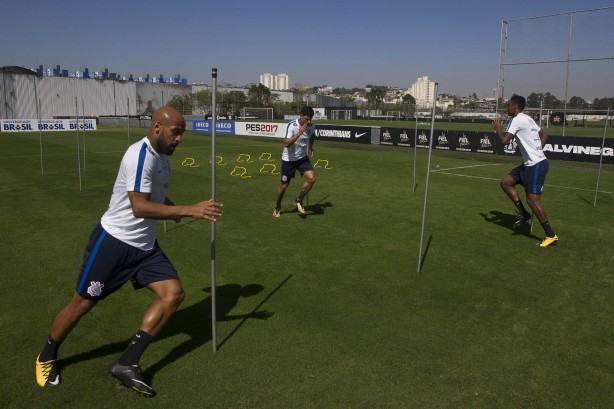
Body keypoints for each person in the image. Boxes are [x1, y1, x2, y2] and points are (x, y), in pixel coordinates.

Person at [35, 107, 223, 397]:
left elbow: (154, 196)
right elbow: (139, 207)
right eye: (176, 133)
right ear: (158, 127)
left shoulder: (161, 159)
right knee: (82, 305)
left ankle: (126, 362)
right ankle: (47, 355)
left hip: (145, 248)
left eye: (182, 134)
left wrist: (173, 210)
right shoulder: (139, 156)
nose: (179, 140)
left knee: (173, 295)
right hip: (114, 244)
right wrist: (189, 210)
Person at [492, 94, 558, 247]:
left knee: (532, 200)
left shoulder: (517, 120)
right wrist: (535, 151)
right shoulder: (527, 118)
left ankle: (550, 235)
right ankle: (523, 213)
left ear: (515, 106)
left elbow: (504, 141)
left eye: (508, 105)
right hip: (529, 163)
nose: (506, 107)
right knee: (506, 183)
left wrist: (497, 129)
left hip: (535, 165)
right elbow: (544, 136)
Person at [273, 106, 316, 217]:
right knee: (284, 186)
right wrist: (299, 133)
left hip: (302, 158)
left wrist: (311, 146)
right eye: (306, 119)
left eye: (310, 119)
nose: (308, 121)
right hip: (289, 160)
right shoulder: (292, 126)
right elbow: (286, 144)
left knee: (312, 178)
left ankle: (298, 200)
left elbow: (312, 135)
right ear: (300, 115)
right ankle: (277, 206)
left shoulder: (311, 126)